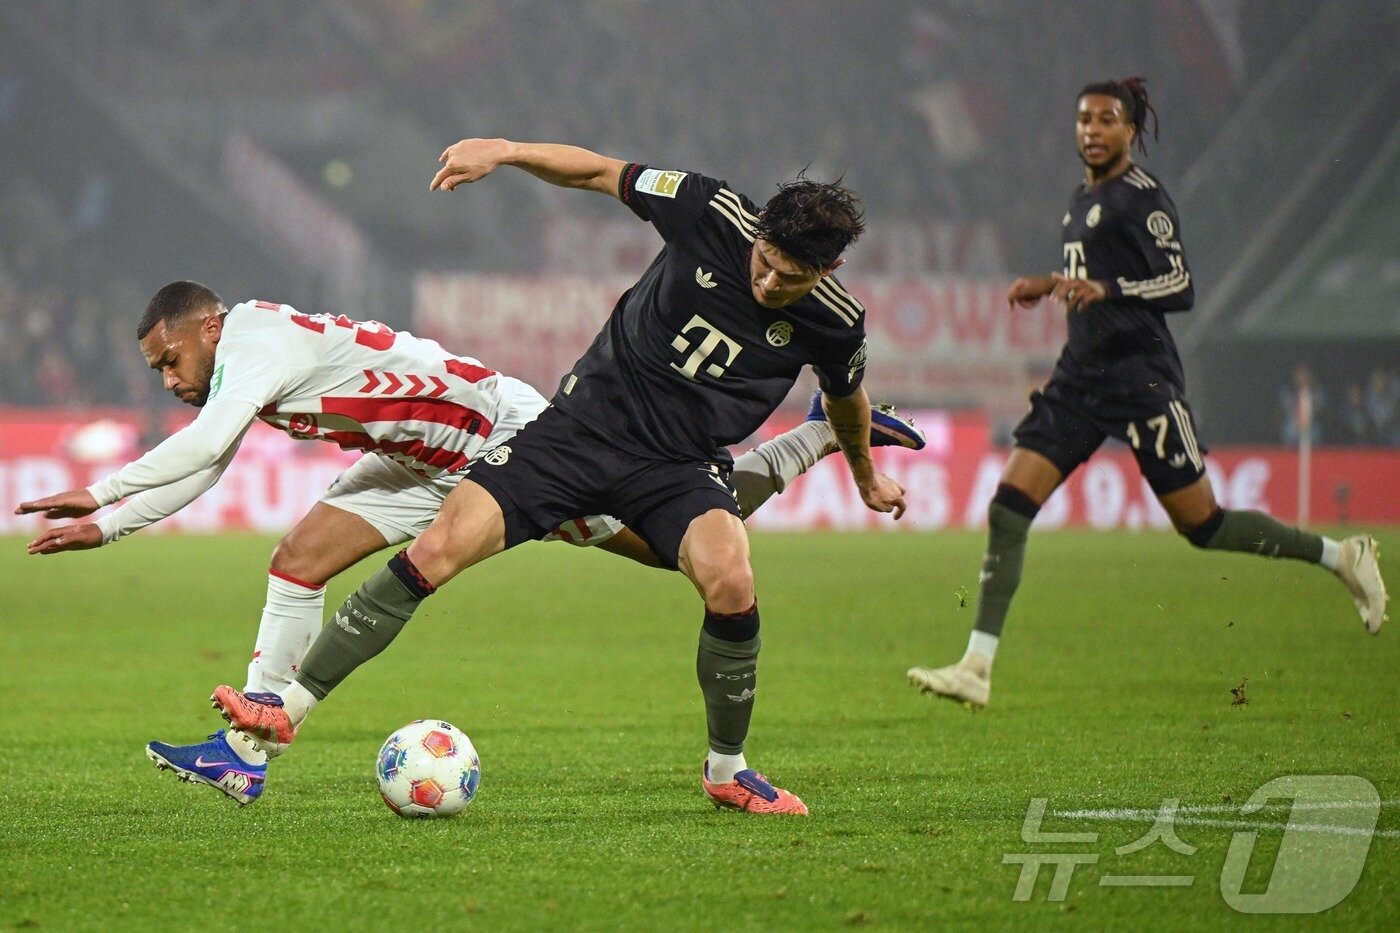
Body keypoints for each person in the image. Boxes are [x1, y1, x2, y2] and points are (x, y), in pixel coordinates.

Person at [18, 280, 924, 805]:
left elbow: (208, 447)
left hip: (499, 430)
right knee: (296, 559)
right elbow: (210, 463)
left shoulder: (251, 343)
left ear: (206, 325)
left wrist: (103, 489)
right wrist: (108, 526)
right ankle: (244, 757)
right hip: (419, 459)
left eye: (168, 359)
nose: (168, 378)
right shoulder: (242, 353)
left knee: (663, 546)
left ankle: (814, 435)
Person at [210, 139, 908, 816]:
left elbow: (849, 398)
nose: (768, 283)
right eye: (764, 264)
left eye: (790, 278)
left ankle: (727, 771)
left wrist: (866, 474)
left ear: (832, 266)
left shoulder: (837, 322)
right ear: (759, 234)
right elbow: (600, 172)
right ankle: (286, 709)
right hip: (575, 432)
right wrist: (507, 151)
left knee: (731, 578)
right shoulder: (712, 209)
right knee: (437, 548)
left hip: (676, 466)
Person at [907, 78, 1389, 709]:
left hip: (1142, 380)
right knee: (1008, 506)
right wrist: (1054, 283)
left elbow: (1180, 284)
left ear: (1131, 130)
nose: (1092, 130)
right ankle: (977, 666)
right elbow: (1096, 278)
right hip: (1079, 379)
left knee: (1204, 525)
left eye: (1106, 120)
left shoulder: (1143, 199)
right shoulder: (1080, 199)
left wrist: (1112, 291)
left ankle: (1340, 555)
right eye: (1084, 120)